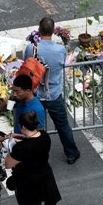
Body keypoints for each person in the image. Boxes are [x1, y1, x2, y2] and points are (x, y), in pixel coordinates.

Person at [25, 17, 81, 164]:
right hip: (54, 94)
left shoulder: (31, 48)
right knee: (63, 126)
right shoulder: (60, 49)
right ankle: (71, 154)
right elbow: (62, 64)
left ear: (39, 30)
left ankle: (36, 156)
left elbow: (26, 65)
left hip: (35, 94)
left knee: (35, 127)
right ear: (53, 31)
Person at [5, 111, 62, 205]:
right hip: (44, 179)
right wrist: (18, 136)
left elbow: (8, 164)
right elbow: (32, 138)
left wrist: (8, 147)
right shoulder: (44, 136)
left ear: (23, 127)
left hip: (28, 183)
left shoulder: (22, 148)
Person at [4, 75, 47, 205]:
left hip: (28, 153)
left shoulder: (37, 109)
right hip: (19, 146)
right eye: (13, 90)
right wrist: (8, 100)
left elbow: (38, 134)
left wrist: (18, 138)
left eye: (17, 91)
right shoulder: (19, 100)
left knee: (28, 190)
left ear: (28, 90)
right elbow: (5, 109)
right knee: (20, 185)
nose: (15, 94)